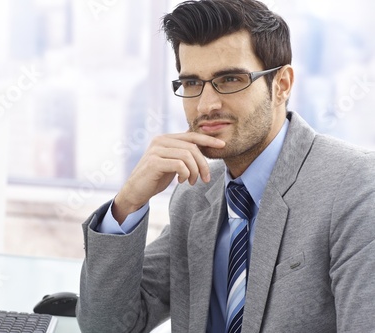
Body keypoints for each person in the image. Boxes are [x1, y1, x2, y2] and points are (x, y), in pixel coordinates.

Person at [76, 0, 375, 332]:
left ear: (282, 84)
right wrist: (128, 203)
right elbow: (108, 325)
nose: (206, 105)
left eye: (230, 79)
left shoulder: (356, 187)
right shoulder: (196, 194)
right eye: (191, 83)